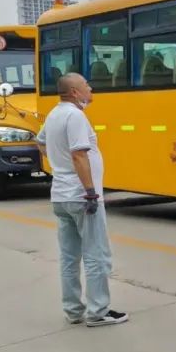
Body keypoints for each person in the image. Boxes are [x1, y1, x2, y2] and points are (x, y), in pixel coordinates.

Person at [36, 73, 128, 328]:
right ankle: (98, 311)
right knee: (96, 254)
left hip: (60, 196)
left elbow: (40, 142)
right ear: (75, 92)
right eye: (86, 85)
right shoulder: (75, 116)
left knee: (69, 257)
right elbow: (79, 155)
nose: (90, 88)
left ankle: (73, 310)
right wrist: (90, 192)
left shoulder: (54, 114)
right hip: (81, 197)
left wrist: (59, 165)